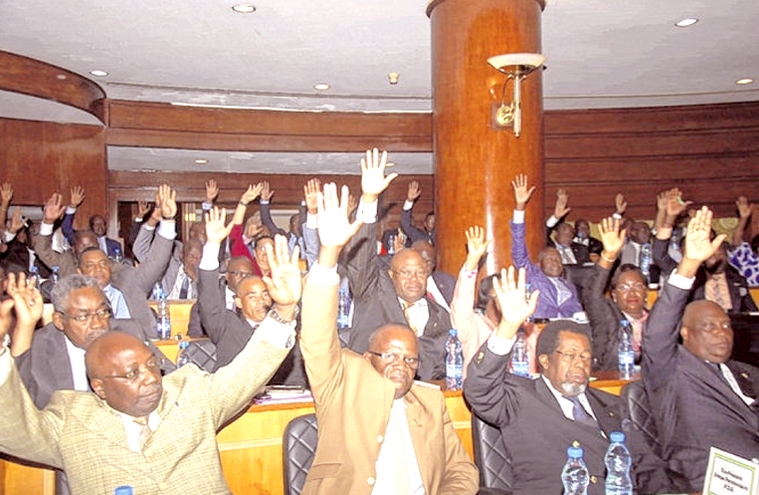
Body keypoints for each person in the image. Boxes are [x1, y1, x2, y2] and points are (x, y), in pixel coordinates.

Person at [0, 206, 301, 494]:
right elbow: (12, 429)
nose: (149, 378)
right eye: (131, 374)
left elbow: (248, 371)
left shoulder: (190, 396)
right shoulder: (73, 422)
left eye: (150, 365)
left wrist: (284, 310)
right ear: (99, 387)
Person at [299, 181, 478, 494]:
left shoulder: (430, 401)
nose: (401, 365)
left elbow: (462, 472)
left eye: (409, 359)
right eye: (391, 355)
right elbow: (316, 336)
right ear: (369, 358)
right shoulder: (342, 389)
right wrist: (365, 207)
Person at [464, 266, 678, 495]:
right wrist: (508, 327)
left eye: (585, 357)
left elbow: (647, 466)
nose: (580, 363)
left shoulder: (611, 405)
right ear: (545, 360)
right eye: (570, 355)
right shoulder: (521, 397)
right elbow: (479, 389)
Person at [643, 205, 759, 492]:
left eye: (726, 326)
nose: (722, 332)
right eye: (709, 326)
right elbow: (657, 332)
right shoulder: (672, 369)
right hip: (711, 477)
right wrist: (689, 264)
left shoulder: (746, 372)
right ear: (685, 334)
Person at [345, 149, 451, 381]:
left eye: (420, 273)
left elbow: (440, 367)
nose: (415, 279)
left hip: (416, 395)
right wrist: (369, 200)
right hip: (367, 390)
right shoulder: (373, 294)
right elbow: (361, 259)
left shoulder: (440, 315)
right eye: (406, 272)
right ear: (391, 275)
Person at [197, 212, 306, 384]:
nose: (261, 301)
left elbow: (295, 377)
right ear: (238, 302)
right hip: (234, 398)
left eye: (265, 294)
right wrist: (212, 245)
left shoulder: (282, 328)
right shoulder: (226, 326)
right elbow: (208, 298)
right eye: (252, 296)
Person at [451, 225, 539, 378]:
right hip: (482, 392)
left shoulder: (528, 331)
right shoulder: (473, 327)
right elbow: (461, 303)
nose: (511, 300)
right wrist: (472, 263)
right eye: (503, 294)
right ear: (488, 302)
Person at [510, 174, 583, 319]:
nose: (556, 262)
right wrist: (520, 207)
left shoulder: (570, 287)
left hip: (569, 329)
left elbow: (578, 314)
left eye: (558, 260)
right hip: (541, 328)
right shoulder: (533, 275)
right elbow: (518, 245)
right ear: (539, 264)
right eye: (550, 259)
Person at [583, 216, 649, 371]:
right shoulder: (607, 317)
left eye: (637, 286)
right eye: (624, 288)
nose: (632, 293)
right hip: (613, 380)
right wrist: (609, 255)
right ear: (613, 295)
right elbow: (592, 294)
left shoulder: (657, 320)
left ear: (646, 292)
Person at [61, 186, 123, 258]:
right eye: (97, 224)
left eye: (102, 224)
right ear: (91, 226)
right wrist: (72, 206)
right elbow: (66, 228)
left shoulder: (115, 245)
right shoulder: (83, 241)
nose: (100, 227)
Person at [401, 180, 435, 245]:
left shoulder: (445, 237)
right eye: (431, 221)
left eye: (435, 221)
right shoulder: (419, 236)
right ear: (425, 224)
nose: (433, 224)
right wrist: (409, 200)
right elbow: (406, 224)